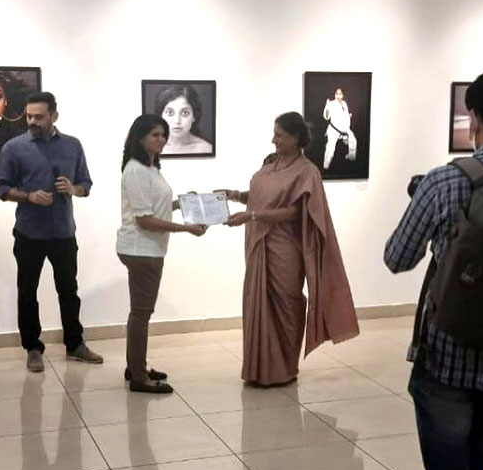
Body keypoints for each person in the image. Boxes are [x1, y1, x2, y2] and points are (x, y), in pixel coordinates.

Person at [384, 68, 483, 470]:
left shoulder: (445, 181)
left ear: (473, 117)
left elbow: (396, 257)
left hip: (448, 360)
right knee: (478, 465)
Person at [223, 112, 358, 387]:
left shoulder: (307, 171)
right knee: (257, 303)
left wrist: (252, 216)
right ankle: (259, 368)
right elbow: (262, 198)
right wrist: (237, 196)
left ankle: (284, 368)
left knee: (287, 303)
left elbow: (296, 211)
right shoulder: (270, 165)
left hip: (285, 247)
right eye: (274, 134)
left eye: (280, 135)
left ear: (296, 138)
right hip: (258, 244)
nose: (274, 140)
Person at [0, 91, 103, 372]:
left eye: (38, 116)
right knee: (27, 291)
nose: (32, 121)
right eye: (29, 116)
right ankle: (33, 347)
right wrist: (29, 197)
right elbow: (2, 189)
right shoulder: (13, 148)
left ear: (54, 116)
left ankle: (75, 343)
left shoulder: (73, 145)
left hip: (63, 233)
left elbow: (86, 185)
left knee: (69, 290)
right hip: (29, 233)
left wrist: (73, 189)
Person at [117, 114, 207, 393]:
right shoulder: (135, 170)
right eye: (155, 134)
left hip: (149, 248)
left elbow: (157, 206)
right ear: (140, 137)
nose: (162, 140)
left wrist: (183, 202)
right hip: (141, 248)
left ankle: (136, 366)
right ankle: (139, 376)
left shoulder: (150, 167)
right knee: (141, 313)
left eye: (163, 135)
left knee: (141, 312)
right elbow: (144, 219)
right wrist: (185, 228)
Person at [154, 84, 213, 155]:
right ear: (161, 116)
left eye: (185, 113)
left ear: (194, 116)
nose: (177, 121)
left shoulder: (206, 149)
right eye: (170, 112)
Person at [322, 87, 357, 170]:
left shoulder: (344, 103)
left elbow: (344, 115)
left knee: (353, 141)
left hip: (344, 129)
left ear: (342, 95)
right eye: (336, 94)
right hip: (334, 129)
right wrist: (327, 107)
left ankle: (351, 159)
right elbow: (326, 117)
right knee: (330, 149)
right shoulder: (331, 103)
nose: (338, 96)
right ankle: (325, 167)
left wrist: (348, 116)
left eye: (340, 94)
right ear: (334, 95)